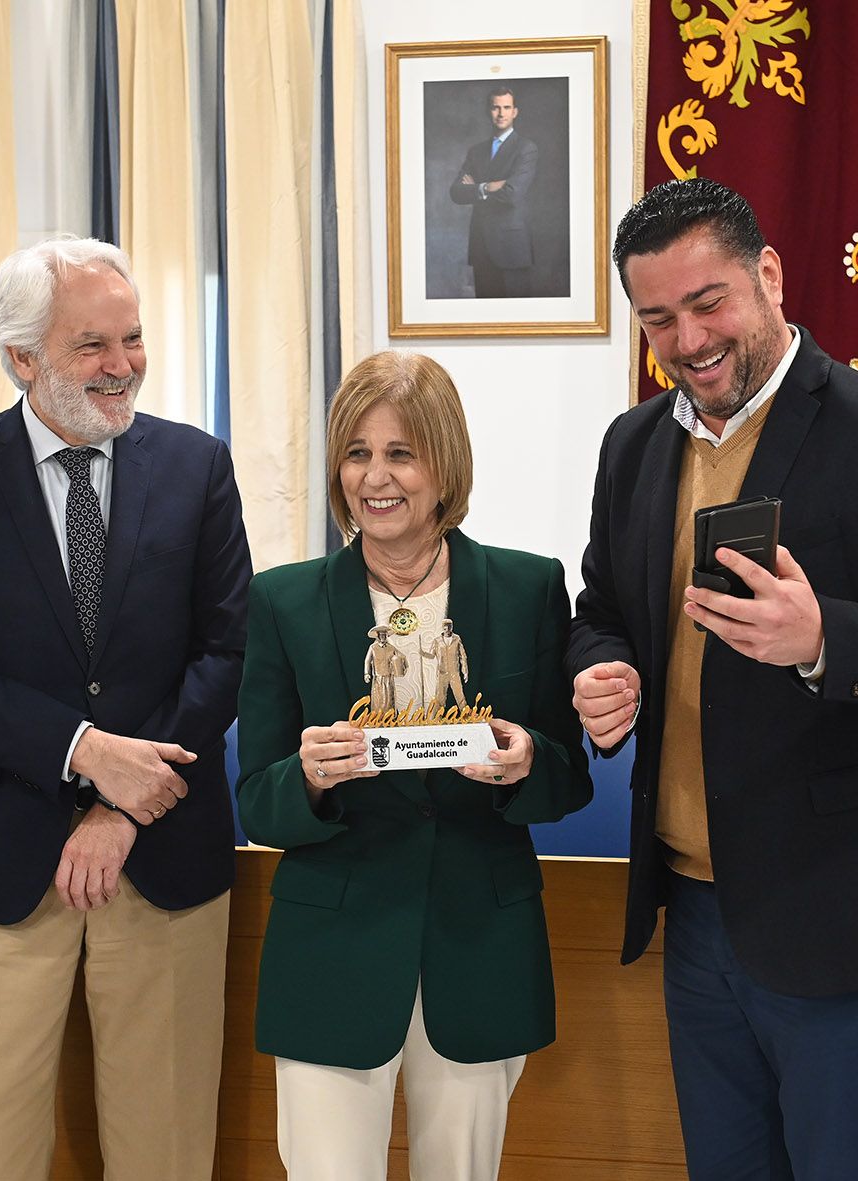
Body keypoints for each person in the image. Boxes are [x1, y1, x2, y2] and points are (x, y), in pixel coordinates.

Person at [567, 178, 858, 1180]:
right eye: (658, 318)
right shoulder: (633, 444)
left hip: (838, 910)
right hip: (695, 910)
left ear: (767, 275)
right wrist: (601, 666)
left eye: (708, 301)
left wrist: (823, 638)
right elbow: (600, 606)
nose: (687, 339)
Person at [0, 235, 251, 1180]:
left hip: (164, 857)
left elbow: (228, 653)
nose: (123, 365)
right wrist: (85, 752)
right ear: (21, 358)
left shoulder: (196, 465)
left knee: (164, 1147)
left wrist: (125, 800)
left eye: (132, 338)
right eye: (92, 345)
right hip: (7, 865)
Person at [236, 350, 593, 1180]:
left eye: (401, 452)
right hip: (332, 950)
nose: (375, 476)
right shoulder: (281, 601)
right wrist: (311, 777)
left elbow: (569, 775)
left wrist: (526, 761)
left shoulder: (528, 587)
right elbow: (257, 800)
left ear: (444, 465)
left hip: (480, 944)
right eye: (356, 453)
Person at [448, 87, 539, 298]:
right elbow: (456, 192)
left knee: (516, 321)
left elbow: (513, 193)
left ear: (515, 111)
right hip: (481, 248)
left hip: (512, 249)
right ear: (489, 111)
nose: (501, 113)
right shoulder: (476, 151)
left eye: (506, 107)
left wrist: (475, 188)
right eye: (495, 107)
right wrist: (487, 186)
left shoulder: (526, 148)